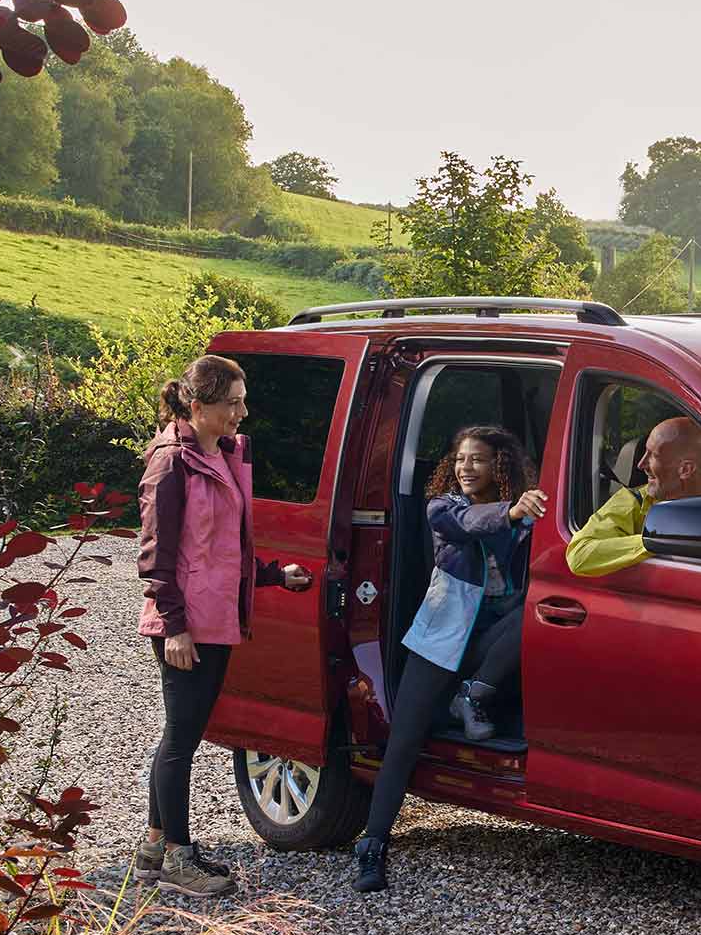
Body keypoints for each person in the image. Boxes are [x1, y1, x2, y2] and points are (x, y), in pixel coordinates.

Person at [137, 354, 313, 898]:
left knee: (178, 733)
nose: (242, 411)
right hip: (188, 625)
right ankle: (177, 858)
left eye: (242, 399)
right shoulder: (171, 464)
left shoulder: (222, 455)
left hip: (217, 620)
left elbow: (221, 549)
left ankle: (153, 845)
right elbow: (156, 556)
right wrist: (175, 628)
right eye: (232, 402)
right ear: (198, 404)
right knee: (182, 739)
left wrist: (273, 576)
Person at [353, 425, 547, 893]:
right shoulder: (443, 507)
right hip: (441, 640)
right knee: (403, 742)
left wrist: (524, 515)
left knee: (536, 610)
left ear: (500, 466)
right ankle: (373, 846)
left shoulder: (523, 517)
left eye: (477, 460)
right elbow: (468, 524)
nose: (465, 468)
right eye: (461, 459)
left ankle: (473, 695)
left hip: (489, 642)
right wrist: (511, 512)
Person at [566, 416, 701, 577]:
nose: (641, 464)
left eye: (653, 456)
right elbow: (579, 556)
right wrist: (655, 541)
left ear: (686, 469)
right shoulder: (633, 501)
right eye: (645, 452)